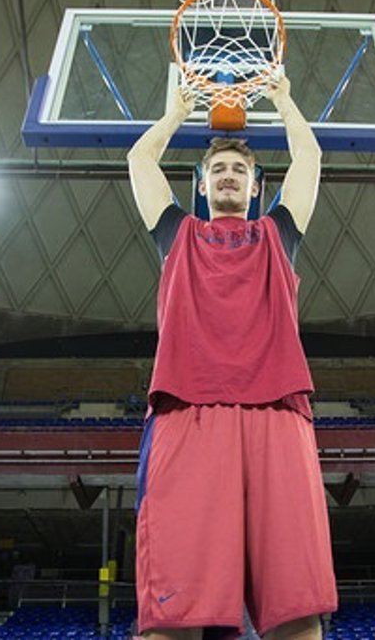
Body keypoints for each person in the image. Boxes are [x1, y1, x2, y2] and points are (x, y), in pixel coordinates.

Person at [126, 74, 336, 640]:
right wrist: (175, 114)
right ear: (200, 182)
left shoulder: (279, 235)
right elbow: (139, 161)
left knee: (297, 610)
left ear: (255, 185)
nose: (227, 175)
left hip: (278, 412)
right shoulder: (177, 234)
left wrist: (284, 99)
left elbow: (310, 157)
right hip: (188, 411)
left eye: (239, 170)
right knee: (174, 613)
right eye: (217, 168)